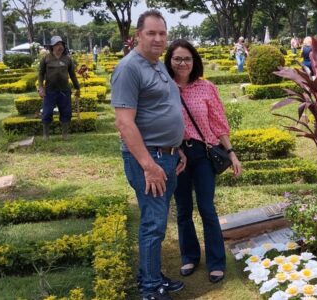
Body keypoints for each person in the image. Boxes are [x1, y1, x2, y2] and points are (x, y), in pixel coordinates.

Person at [111, 10, 187, 300]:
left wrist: (176, 147)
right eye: (151, 33)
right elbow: (124, 123)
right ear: (137, 36)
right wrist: (148, 165)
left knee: (157, 219)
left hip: (166, 155)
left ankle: (153, 275)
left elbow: (162, 110)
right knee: (154, 223)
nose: (158, 38)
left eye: (162, 33)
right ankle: (150, 288)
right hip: (149, 159)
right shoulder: (129, 68)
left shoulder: (156, 65)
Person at [164, 39, 242, 284]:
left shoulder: (206, 87)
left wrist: (231, 152)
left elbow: (218, 123)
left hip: (203, 154)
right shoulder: (164, 87)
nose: (182, 63)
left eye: (187, 58)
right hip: (176, 154)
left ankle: (216, 261)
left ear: (194, 61)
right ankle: (189, 255)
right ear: (169, 61)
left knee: (207, 207)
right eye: (177, 58)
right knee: (184, 208)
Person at [38, 36, 80, 140]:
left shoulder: (67, 59)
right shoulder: (46, 59)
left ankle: (65, 135)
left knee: (66, 112)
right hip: (49, 91)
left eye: (61, 44)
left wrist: (77, 88)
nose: (59, 47)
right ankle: (45, 135)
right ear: (52, 47)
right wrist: (41, 87)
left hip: (64, 91)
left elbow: (72, 75)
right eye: (57, 45)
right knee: (47, 113)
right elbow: (41, 74)